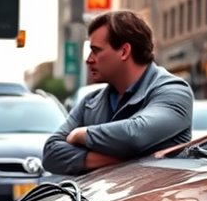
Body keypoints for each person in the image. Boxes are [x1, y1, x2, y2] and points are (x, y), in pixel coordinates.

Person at [43, 10, 193, 175]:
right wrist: (115, 161)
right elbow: (51, 153)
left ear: (124, 51)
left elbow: (135, 134)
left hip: (154, 199)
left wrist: (81, 134)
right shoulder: (90, 102)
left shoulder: (173, 90)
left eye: (96, 50)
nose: (89, 59)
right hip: (99, 199)